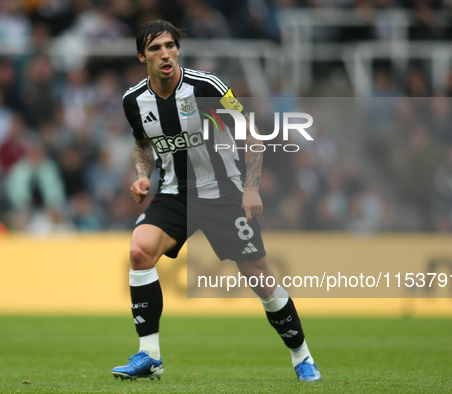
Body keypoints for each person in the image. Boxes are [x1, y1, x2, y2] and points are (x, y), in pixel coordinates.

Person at [111, 20, 321, 382]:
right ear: (141, 56)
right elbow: (143, 144)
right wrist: (143, 174)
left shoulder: (206, 87)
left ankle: (303, 357)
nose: (165, 53)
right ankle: (149, 355)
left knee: (260, 278)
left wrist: (251, 188)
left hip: (225, 194)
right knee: (139, 252)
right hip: (176, 194)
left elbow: (251, 133)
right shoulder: (134, 100)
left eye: (170, 46)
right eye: (156, 48)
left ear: (178, 49)